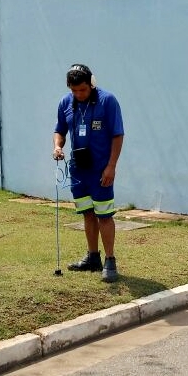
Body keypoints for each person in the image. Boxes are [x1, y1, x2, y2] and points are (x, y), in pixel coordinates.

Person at [53, 64, 124, 283]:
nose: (78, 94)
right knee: (87, 213)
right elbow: (60, 130)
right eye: (74, 90)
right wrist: (57, 146)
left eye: (82, 89)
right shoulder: (65, 103)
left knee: (104, 215)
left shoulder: (107, 101)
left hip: (101, 171)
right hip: (78, 170)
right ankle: (93, 257)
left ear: (92, 83)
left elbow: (117, 135)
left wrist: (111, 166)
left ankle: (110, 260)